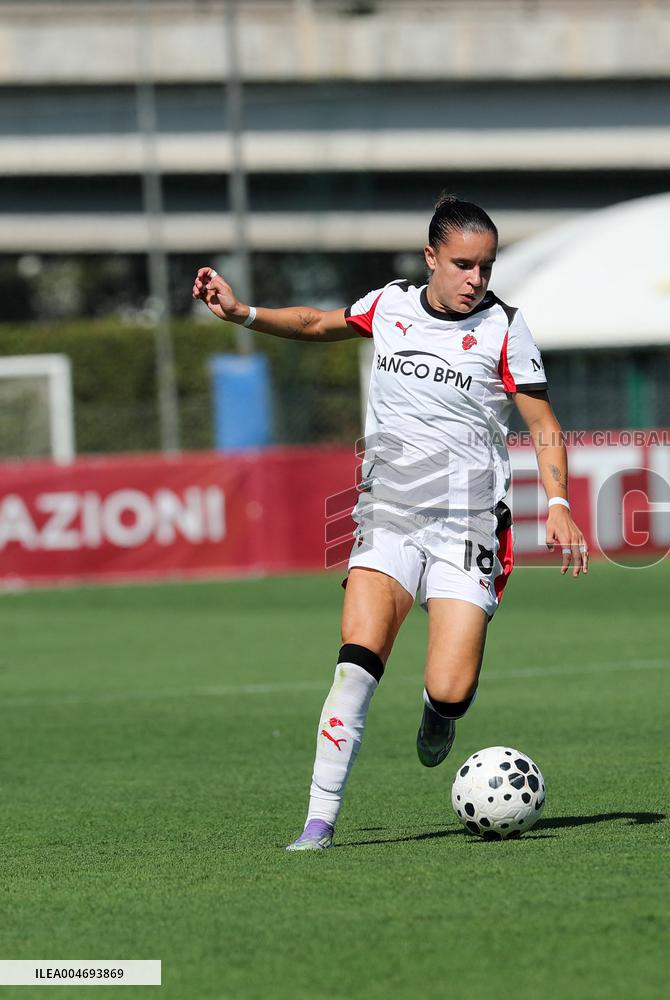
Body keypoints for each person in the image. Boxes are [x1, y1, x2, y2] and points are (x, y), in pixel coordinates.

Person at [192, 196, 588, 851]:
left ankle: (441, 715)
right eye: (463, 265)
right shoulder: (390, 304)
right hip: (390, 517)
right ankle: (318, 823)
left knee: (450, 686)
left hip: (468, 528)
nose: (476, 280)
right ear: (431, 257)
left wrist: (559, 504)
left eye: (485, 267)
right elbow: (318, 323)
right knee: (356, 665)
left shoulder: (505, 329)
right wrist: (243, 314)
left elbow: (542, 425)